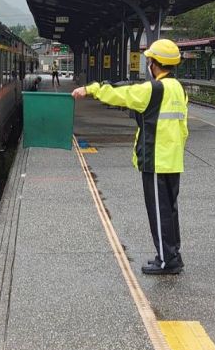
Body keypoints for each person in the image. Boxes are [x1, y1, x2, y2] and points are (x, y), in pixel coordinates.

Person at [72, 38, 189, 275]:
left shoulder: (153, 89)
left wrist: (91, 89)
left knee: (158, 211)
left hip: (156, 159)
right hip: (173, 159)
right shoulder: (178, 88)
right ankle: (173, 253)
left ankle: (167, 261)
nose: (148, 64)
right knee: (170, 210)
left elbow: (120, 95)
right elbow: (183, 128)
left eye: (149, 61)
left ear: (155, 64)